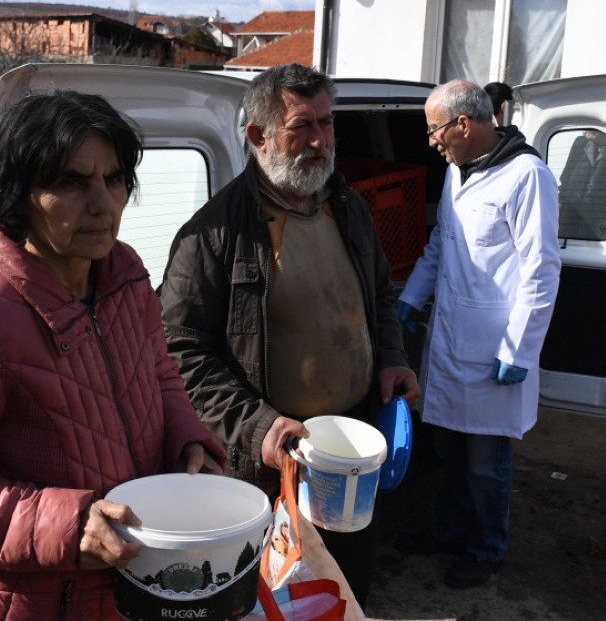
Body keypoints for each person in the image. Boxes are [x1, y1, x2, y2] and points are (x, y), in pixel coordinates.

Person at [0, 92, 226, 620]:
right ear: (18, 196)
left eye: (113, 179)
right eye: (70, 182)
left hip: (135, 587)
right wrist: (67, 523)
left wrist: (186, 439)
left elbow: (158, 375)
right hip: (39, 603)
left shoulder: (124, 276)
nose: (103, 203)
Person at [157, 63, 420, 607]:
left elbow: (379, 297)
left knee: (344, 593)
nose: (321, 140)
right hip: (271, 468)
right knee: (276, 599)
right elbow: (179, 351)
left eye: (326, 123)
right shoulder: (212, 233)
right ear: (258, 136)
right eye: (302, 127)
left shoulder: (347, 206)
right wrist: (260, 426)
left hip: (352, 451)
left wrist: (392, 358)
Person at [394, 79, 561, 589]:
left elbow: (541, 269)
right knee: (451, 449)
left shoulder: (527, 175)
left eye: (434, 129)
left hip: (494, 350)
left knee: (487, 460)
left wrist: (519, 349)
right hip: (450, 342)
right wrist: (410, 297)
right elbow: (442, 242)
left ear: (463, 123)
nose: (431, 141)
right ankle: (449, 530)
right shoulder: (456, 173)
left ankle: (486, 548)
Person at [557, 128, 606, 240]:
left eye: (593, 131)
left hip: (599, 221)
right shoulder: (580, 143)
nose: (588, 132)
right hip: (571, 215)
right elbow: (566, 179)